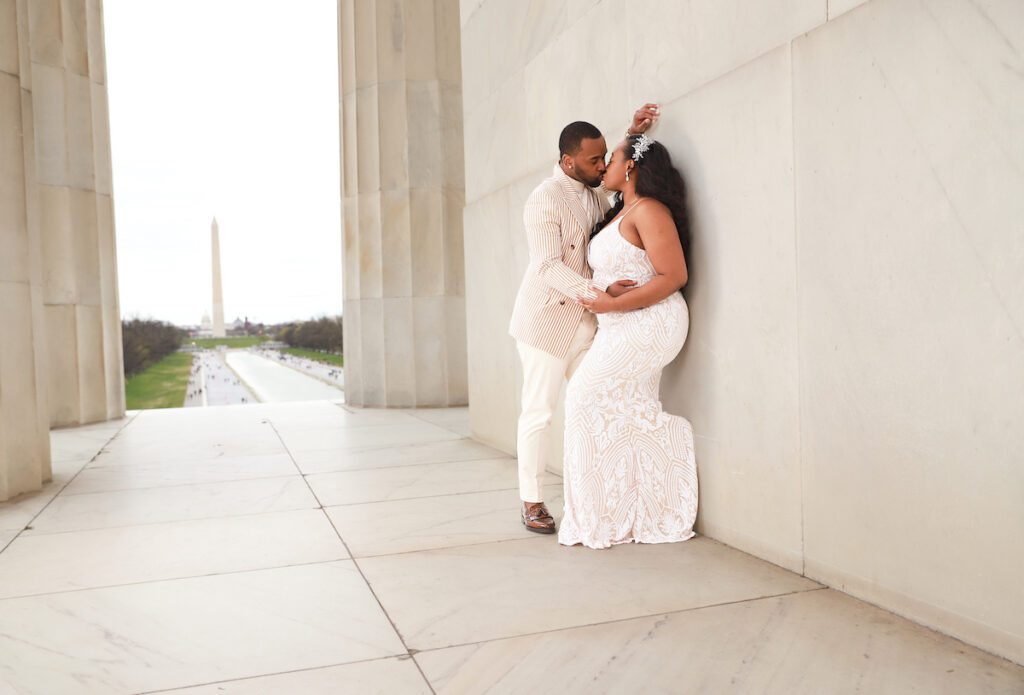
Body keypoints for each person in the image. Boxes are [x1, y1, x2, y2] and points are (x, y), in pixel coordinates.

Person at [510, 105, 660, 534]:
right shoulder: (544, 198)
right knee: (538, 413)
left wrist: (633, 135)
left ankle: (593, 494)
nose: (601, 166)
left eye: (603, 158)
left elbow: (616, 174)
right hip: (545, 323)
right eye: (593, 160)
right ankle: (532, 502)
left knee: (592, 406)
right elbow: (546, 266)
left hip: (588, 324)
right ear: (567, 161)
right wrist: (599, 297)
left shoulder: (593, 191)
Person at [559, 132, 698, 548]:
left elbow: (673, 277)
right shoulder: (625, 211)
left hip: (650, 324)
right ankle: (629, 513)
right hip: (620, 322)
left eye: (612, 159)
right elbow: (630, 270)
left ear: (631, 166)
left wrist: (613, 305)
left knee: (582, 398)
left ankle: (603, 518)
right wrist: (614, 295)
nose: (604, 167)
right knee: (625, 413)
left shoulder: (650, 210)